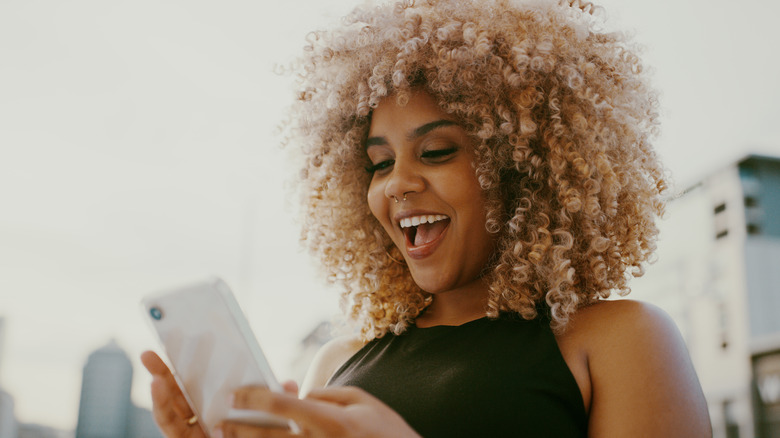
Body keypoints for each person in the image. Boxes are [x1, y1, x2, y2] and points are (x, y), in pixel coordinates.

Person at [142, 0, 712, 436]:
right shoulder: (336, 362)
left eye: (436, 151)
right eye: (379, 163)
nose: (397, 183)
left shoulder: (619, 339)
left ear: (523, 167)